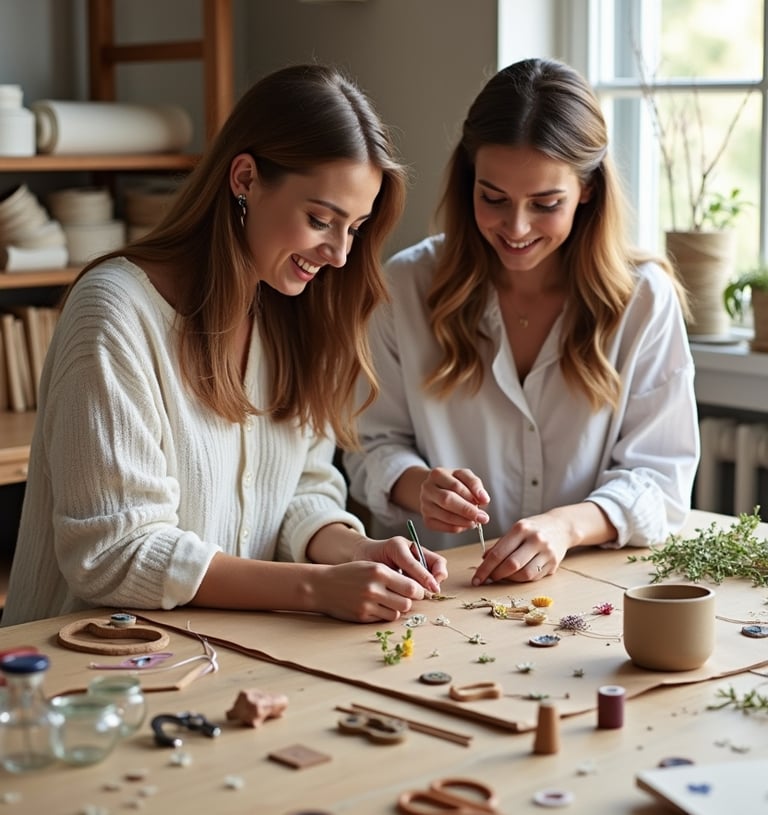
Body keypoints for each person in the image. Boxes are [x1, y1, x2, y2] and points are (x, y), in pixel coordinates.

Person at [1, 64, 447, 627]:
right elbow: (115, 554)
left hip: (228, 661)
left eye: (355, 228)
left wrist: (357, 553)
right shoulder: (114, 312)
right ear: (245, 179)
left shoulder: (299, 314)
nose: (339, 253)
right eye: (320, 220)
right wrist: (316, 587)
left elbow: (303, 494)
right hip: (87, 682)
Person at [344, 58, 700, 585]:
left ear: (588, 191)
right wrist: (417, 484)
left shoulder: (644, 299)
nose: (515, 227)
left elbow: (660, 479)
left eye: (545, 203)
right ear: (469, 182)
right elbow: (370, 446)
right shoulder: (406, 287)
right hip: (449, 594)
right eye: (493, 198)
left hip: (595, 591)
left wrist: (564, 528)